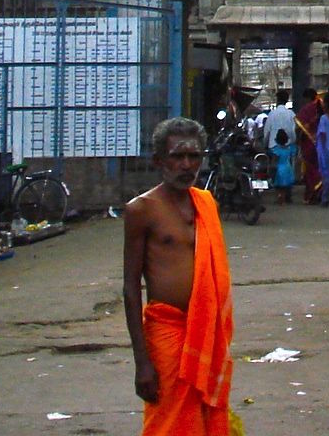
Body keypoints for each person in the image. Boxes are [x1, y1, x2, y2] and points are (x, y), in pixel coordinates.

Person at [122, 117, 235, 435]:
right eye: (177, 156)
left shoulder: (206, 204)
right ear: (159, 160)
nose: (186, 165)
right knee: (170, 423)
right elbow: (130, 287)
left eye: (194, 156)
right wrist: (142, 362)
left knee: (206, 418)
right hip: (166, 333)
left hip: (206, 331)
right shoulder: (141, 210)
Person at [296, 88, 324, 204]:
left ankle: (311, 195)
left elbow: (299, 127)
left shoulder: (305, 110)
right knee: (321, 168)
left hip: (309, 144)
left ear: (307, 98)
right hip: (323, 142)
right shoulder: (323, 107)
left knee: (310, 171)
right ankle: (322, 194)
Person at [271, 129, 295, 202]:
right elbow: (291, 158)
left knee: (279, 185)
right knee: (286, 185)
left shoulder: (276, 150)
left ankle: (280, 197)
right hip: (288, 167)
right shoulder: (289, 149)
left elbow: (274, 161)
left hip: (279, 168)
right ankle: (286, 198)